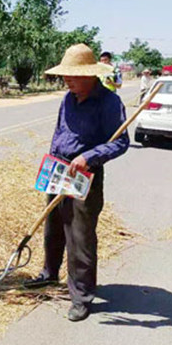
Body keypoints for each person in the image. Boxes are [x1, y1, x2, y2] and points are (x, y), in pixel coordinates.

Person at [24, 43, 130, 322]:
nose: (67, 80)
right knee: (53, 228)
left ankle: (81, 296)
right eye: (65, 75)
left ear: (90, 75)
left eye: (72, 75)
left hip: (85, 177)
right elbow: (60, 131)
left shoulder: (109, 102)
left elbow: (121, 142)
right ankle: (49, 273)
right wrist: (50, 163)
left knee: (80, 237)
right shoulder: (68, 98)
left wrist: (89, 156)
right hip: (59, 172)